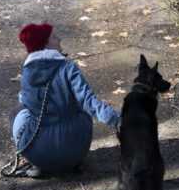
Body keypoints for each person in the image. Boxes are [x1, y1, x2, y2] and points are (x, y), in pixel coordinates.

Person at [9, 23, 119, 177]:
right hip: (74, 152)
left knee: (18, 111)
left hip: (39, 156)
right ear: (46, 44)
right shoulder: (68, 68)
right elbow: (89, 102)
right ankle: (71, 162)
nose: (59, 39)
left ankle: (38, 162)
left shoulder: (27, 72)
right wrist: (119, 120)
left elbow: (26, 103)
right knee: (82, 108)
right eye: (54, 37)